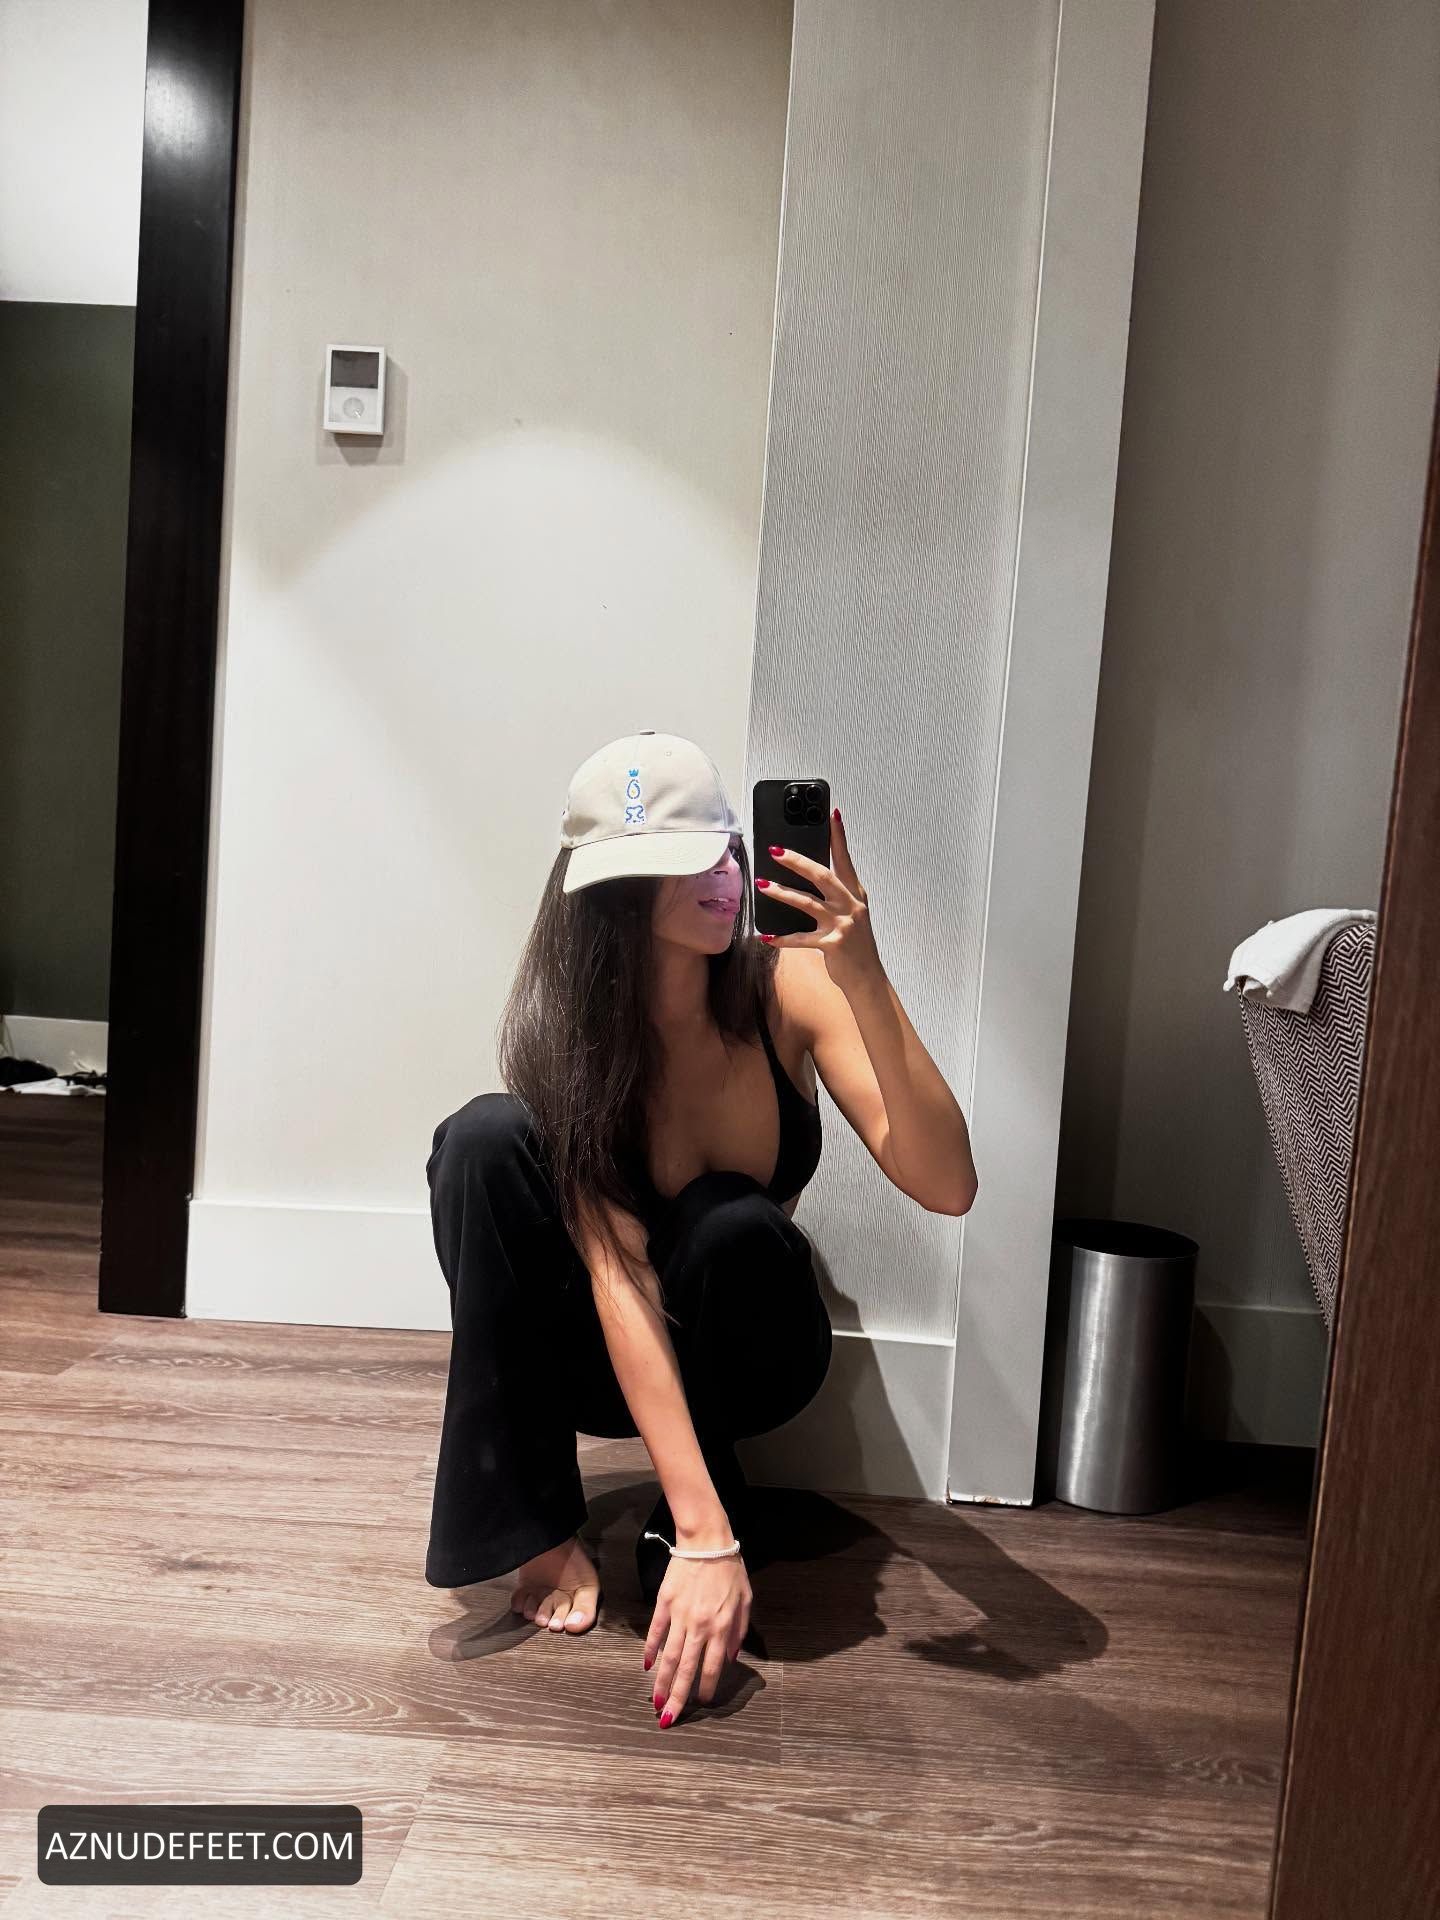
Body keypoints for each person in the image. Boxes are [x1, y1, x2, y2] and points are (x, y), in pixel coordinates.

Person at [424, 729, 977, 1728]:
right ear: (609, 894)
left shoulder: (787, 985)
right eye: (679, 861)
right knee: (482, 1138)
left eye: (722, 846)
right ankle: (538, 1528)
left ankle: (704, 1487)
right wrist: (707, 1532)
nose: (719, 877)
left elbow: (948, 1185)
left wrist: (866, 977)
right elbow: (618, 1280)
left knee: (727, 1222)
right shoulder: (573, 1037)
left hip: (754, 1347)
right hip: (604, 1353)